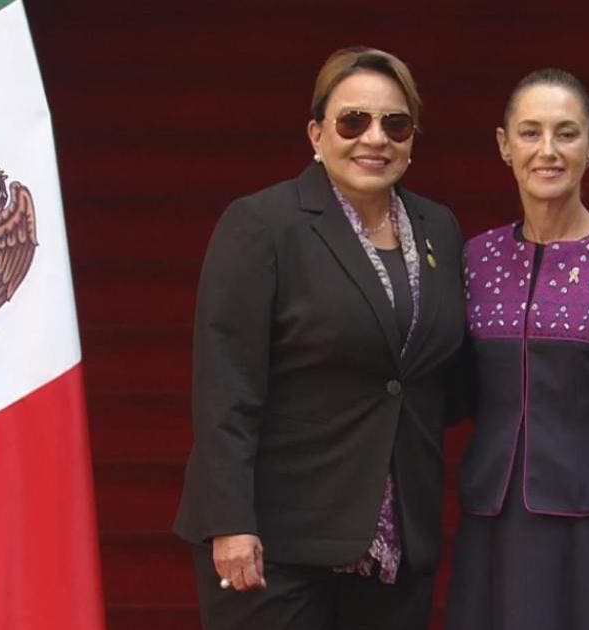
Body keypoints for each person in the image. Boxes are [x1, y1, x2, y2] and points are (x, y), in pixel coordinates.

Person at [173, 46, 466, 630]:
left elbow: (434, 379)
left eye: (395, 123)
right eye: (353, 120)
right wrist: (230, 521)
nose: (374, 138)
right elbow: (225, 387)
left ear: (412, 138)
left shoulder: (440, 229)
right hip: (276, 543)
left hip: (395, 542)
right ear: (316, 132)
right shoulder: (263, 224)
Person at [446, 68, 589, 630]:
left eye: (566, 133)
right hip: (492, 526)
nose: (547, 150)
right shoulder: (474, 258)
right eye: (529, 132)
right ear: (504, 146)